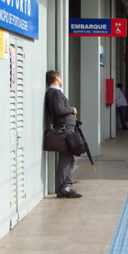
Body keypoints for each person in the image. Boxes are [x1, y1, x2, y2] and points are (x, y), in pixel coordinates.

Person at [45, 70, 82, 198]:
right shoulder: (55, 93)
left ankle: (67, 185)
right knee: (66, 158)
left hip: (66, 129)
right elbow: (59, 110)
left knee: (70, 158)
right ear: (56, 77)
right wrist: (72, 109)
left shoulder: (54, 93)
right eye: (60, 77)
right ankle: (61, 188)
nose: (61, 79)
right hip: (65, 130)